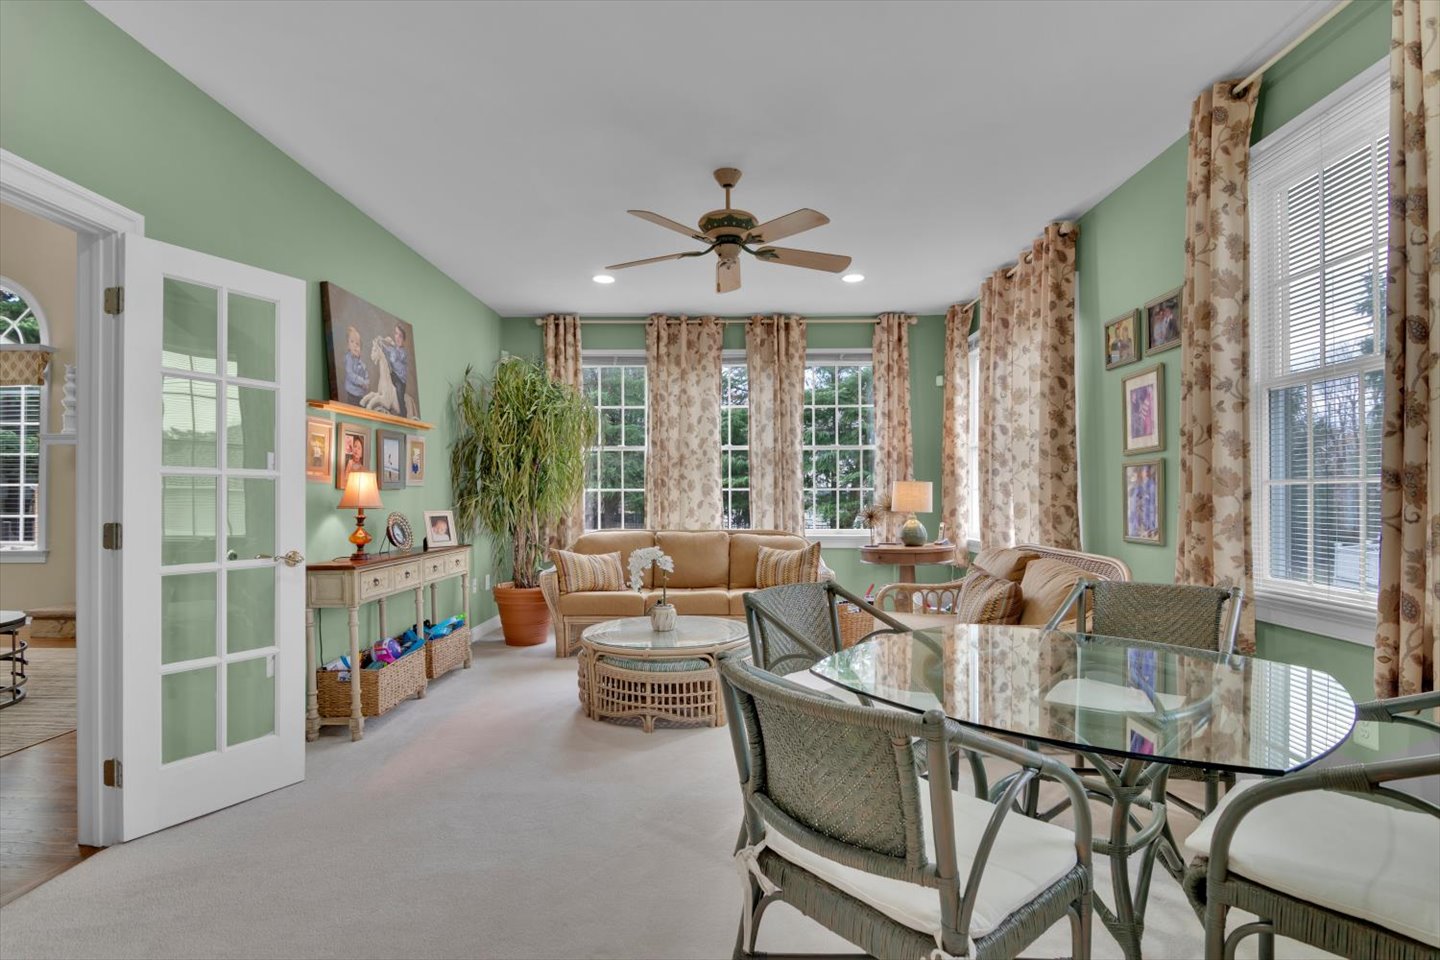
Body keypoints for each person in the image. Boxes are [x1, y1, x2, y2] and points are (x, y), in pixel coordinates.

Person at [379, 323, 409, 415]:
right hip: (393, 375)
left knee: (400, 394)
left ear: (403, 339)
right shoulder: (393, 349)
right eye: (396, 334)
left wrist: (391, 345)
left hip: (400, 379)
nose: (398, 337)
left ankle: (403, 413)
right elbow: (385, 349)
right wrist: (381, 342)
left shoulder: (403, 352)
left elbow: (395, 357)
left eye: (400, 336)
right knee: (385, 380)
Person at [342, 325, 370, 406]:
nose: (355, 345)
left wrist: (366, 383)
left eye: (357, 344)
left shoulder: (362, 364)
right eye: (352, 342)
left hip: (361, 395)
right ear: (348, 345)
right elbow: (350, 374)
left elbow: (366, 375)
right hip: (352, 394)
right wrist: (362, 382)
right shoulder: (349, 358)